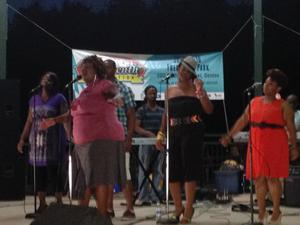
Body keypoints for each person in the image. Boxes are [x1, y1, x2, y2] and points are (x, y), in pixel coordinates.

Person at [41, 55, 126, 216]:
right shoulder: (84, 93)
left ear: (97, 70)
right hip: (83, 144)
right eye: (82, 69)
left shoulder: (104, 85)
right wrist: (53, 120)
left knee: (99, 179)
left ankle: (101, 217)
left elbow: (114, 94)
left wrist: (117, 98)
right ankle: (83, 218)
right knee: (84, 182)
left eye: (88, 68)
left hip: (102, 140)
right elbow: (70, 115)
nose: (84, 71)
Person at [220, 68, 299, 225]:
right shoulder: (254, 102)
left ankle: (276, 212)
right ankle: (261, 214)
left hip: (275, 143)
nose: (266, 86)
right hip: (257, 143)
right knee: (258, 180)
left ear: (278, 89)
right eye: (266, 83)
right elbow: (243, 120)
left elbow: (290, 128)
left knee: (272, 179)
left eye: (271, 84)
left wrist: (294, 147)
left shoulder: (283, 106)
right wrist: (229, 136)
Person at [156, 56, 214, 224]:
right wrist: (161, 133)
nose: (184, 72)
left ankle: (189, 207)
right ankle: (177, 206)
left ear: (192, 74)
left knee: (190, 169)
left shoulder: (197, 90)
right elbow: (166, 114)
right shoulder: (169, 90)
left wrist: (201, 92)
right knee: (173, 170)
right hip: (174, 131)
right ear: (178, 69)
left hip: (192, 131)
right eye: (182, 68)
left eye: (188, 70)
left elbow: (209, 110)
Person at [17, 72, 68, 214]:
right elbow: (29, 121)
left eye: (51, 78)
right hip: (37, 144)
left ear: (55, 83)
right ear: (41, 81)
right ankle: (42, 204)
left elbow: (66, 117)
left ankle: (59, 203)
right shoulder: (34, 99)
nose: (48, 80)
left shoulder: (59, 98)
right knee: (39, 174)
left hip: (54, 141)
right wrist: (22, 139)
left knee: (54, 173)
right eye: (46, 77)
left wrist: (70, 135)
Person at [105, 59, 136, 219]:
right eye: (103, 67)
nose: (105, 69)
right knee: (107, 174)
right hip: (104, 138)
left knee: (125, 173)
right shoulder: (100, 90)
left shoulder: (124, 89)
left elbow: (131, 115)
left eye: (108, 67)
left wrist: (129, 137)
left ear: (115, 69)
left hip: (121, 135)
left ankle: (130, 208)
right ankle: (109, 208)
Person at [135, 85, 164, 206]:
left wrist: (159, 136)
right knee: (144, 169)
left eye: (154, 93)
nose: (152, 95)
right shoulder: (141, 110)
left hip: (159, 142)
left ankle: (156, 196)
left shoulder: (162, 111)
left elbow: (164, 127)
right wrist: (148, 134)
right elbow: (136, 127)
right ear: (146, 95)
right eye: (150, 93)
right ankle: (143, 197)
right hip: (145, 142)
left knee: (159, 170)